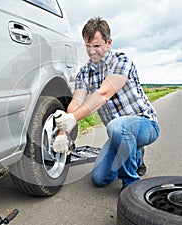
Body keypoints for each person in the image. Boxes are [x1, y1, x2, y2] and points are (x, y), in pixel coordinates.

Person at [53, 17, 159, 190]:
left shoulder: (122, 61)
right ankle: (135, 154)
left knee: (117, 126)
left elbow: (104, 93)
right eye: (88, 46)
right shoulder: (84, 73)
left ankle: (131, 185)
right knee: (99, 178)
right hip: (117, 133)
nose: (91, 52)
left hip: (145, 124)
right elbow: (77, 101)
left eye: (96, 46)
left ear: (108, 43)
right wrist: (62, 133)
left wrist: (73, 119)